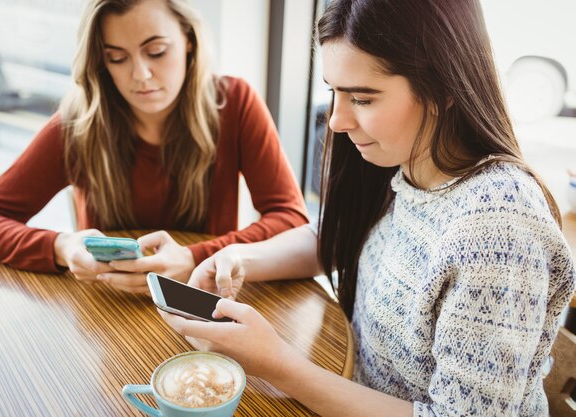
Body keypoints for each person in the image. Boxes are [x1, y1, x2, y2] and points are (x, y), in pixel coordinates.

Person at [159, 0, 576, 416]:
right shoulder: (409, 163)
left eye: (362, 98)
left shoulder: (498, 228)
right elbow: (341, 235)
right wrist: (238, 257)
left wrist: (279, 365)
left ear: (444, 88)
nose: (337, 120)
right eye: (333, 91)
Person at [0, 0, 308, 292]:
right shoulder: (78, 123)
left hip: (205, 295)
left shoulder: (235, 103)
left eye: (156, 51)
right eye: (117, 58)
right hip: (105, 308)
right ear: (100, 60)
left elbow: (291, 220)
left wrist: (194, 257)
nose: (140, 75)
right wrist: (63, 246)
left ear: (188, 40)